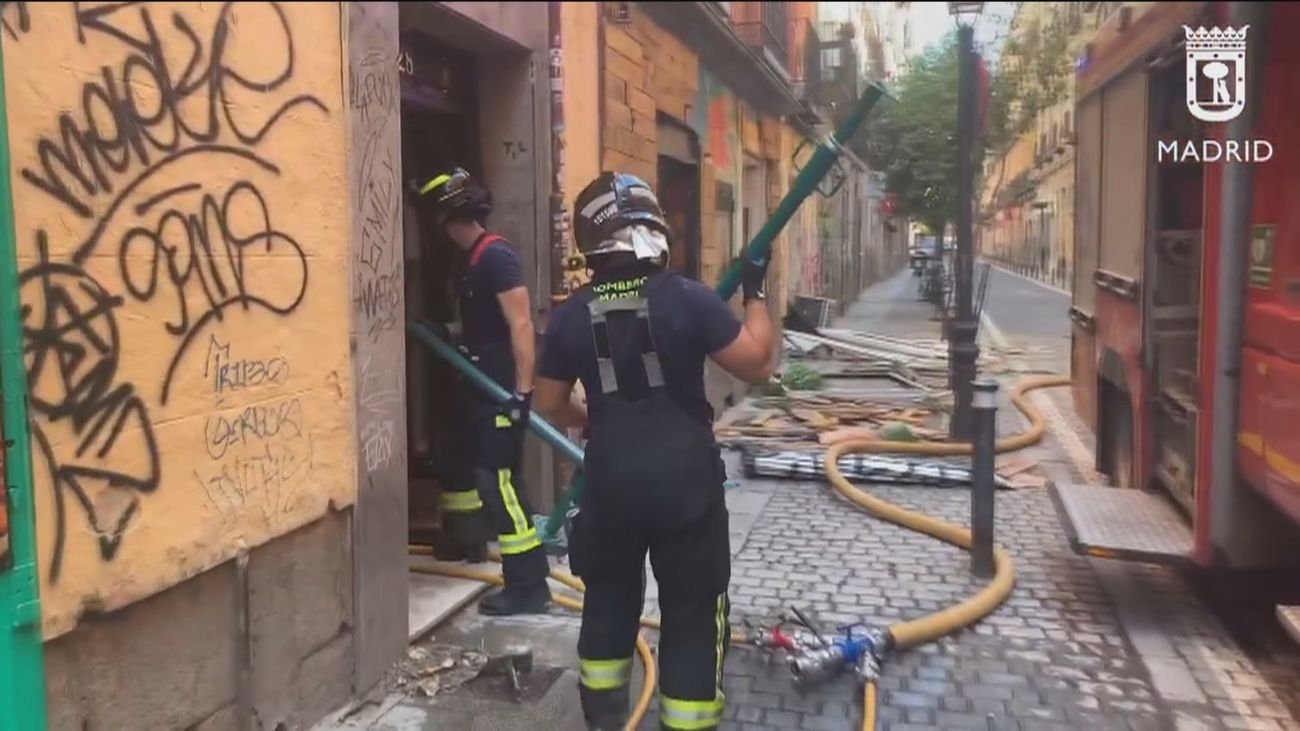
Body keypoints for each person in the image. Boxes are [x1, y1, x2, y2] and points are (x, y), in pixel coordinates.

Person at [533, 172, 776, 730]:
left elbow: (548, 403)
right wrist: (756, 292)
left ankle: (604, 720)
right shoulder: (689, 299)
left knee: (608, 601)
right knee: (692, 612)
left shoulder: (571, 314)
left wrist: (595, 416)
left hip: (611, 483)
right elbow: (757, 364)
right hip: (686, 486)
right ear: (653, 228)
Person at [418, 167, 551, 616]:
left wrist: (521, 394)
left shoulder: (496, 257)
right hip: (475, 383)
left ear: (446, 217)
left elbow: (520, 325)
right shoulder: (467, 260)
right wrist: (446, 331)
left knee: (499, 483)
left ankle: (528, 585)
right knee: (456, 458)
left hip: (499, 388)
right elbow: (480, 326)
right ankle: (466, 538)